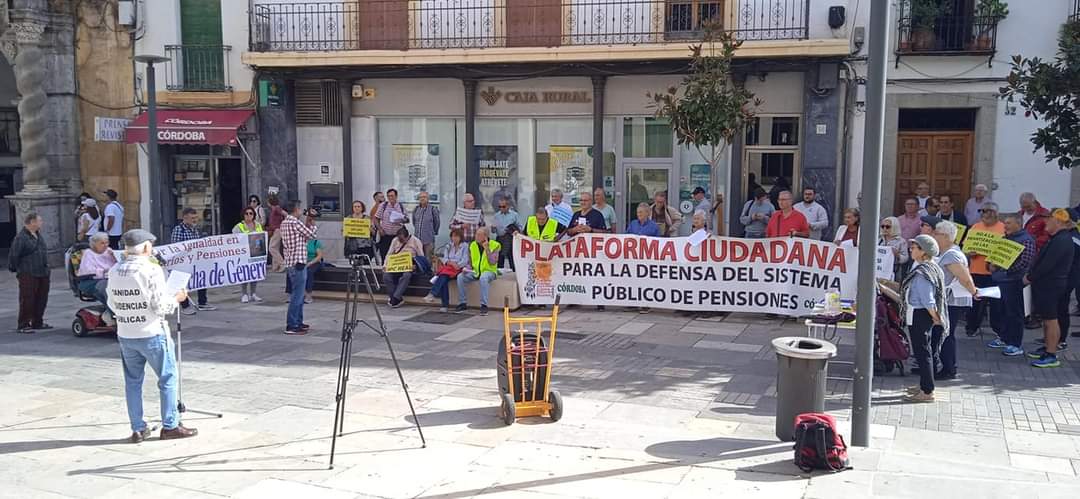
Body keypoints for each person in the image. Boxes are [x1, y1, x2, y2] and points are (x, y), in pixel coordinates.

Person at [107, 229, 197, 443]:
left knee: (133, 381)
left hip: (126, 333)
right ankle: (170, 425)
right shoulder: (150, 270)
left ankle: (138, 428)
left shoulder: (114, 269)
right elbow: (160, 306)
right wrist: (177, 297)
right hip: (151, 332)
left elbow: (112, 303)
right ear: (146, 247)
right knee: (167, 378)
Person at [1024, 208, 1075, 368]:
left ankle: (1051, 354)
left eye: (1050, 219)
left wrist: (1030, 277)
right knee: (1047, 319)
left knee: (1051, 320)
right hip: (1047, 285)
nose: (1046, 222)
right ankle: (1047, 348)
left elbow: (1047, 264)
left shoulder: (1062, 240)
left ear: (1059, 222)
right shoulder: (1057, 238)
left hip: (1051, 286)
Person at [901, 234, 948, 403]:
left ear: (923, 252)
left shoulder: (922, 272)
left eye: (914, 247)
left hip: (920, 314)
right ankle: (924, 385)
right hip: (921, 313)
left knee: (923, 353)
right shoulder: (929, 267)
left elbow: (927, 299)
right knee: (924, 351)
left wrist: (936, 317)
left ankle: (927, 391)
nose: (911, 250)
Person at [931, 220, 979, 380]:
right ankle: (941, 365)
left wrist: (974, 291)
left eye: (936, 233)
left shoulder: (952, 254)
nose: (933, 236)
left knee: (945, 333)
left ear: (945, 236)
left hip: (951, 301)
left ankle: (949, 368)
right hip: (945, 300)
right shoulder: (946, 253)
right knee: (941, 333)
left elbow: (965, 278)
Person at [988, 213, 1036, 357]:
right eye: (1005, 223)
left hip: (1014, 282)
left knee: (1014, 313)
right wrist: (991, 264)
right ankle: (1004, 337)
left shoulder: (1026, 240)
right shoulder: (1005, 238)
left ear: (1018, 224)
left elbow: (1025, 263)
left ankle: (1015, 344)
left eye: (1008, 223)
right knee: (1001, 311)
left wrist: (1004, 270)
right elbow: (995, 255)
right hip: (1001, 281)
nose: (1005, 226)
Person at [964, 202, 1005, 337]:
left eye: (988, 211)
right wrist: (970, 253)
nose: (985, 214)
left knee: (995, 304)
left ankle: (998, 329)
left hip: (994, 272)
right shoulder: (975, 227)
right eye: (983, 211)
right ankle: (972, 327)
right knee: (975, 302)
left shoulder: (1003, 228)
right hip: (976, 270)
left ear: (995, 213)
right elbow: (967, 246)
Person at [280, 200, 318, 335]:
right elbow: (311, 235)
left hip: (291, 261)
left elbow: (302, 238)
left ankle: (298, 321)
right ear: (295, 209)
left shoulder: (285, 222)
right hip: (298, 262)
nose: (301, 210)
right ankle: (292, 324)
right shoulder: (294, 222)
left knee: (299, 294)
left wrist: (307, 221)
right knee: (297, 295)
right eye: (300, 208)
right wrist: (312, 224)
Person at [9, 212, 50, 333]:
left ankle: (37, 321)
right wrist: (16, 269)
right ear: (32, 222)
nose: (41, 223)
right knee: (27, 298)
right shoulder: (21, 237)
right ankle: (23, 324)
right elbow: (14, 255)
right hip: (28, 272)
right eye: (39, 221)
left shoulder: (38, 234)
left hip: (42, 271)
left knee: (42, 297)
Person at [171, 208, 215, 313]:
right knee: (182, 283)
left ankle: (202, 302)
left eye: (196, 218)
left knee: (202, 278)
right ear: (185, 218)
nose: (195, 220)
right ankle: (185, 306)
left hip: (196, 260)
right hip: (184, 261)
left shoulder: (195, 229)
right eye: (192, 218)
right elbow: (175, 247)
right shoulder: (179, 229)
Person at [77, 232, 118, 325]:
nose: (105, 245)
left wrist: (115, 256)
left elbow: (117, 265)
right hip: (90, 281)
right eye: (102, 243)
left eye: (107, 242)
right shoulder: (88, 253)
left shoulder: (109, 251)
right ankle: (113, 313)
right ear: (94, 244)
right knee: (106, 287)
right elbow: (88, 270)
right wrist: (104, 271)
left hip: (109, 279)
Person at [457, 227, 500, 316]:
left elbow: (493, 262)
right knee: (460, 277)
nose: (476, 236)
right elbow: (470, 262)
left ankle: (484, 305)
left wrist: (487, 249)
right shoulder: (472, 245)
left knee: (483, 277)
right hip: (475, 272)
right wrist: (467, 268)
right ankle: (462, 303)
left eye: (479, 235)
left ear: (485, 236)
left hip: (490, 271)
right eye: (476, 234)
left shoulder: (495, 245)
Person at [425, 228, 468, 312]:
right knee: (443, 278)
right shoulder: (449, 246)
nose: (454, 238)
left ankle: (436, 297)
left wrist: (457, 265)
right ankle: (442, 303)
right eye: (452, 236)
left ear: (460, 237)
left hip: (459, 268)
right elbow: (445, 258)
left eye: (456, 236)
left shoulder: (465, 246)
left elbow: (465, 260)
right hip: (449, 268)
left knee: (442, 276)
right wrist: (451, 263)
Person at [383, 227, 423, 308]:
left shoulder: (416, 241)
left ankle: (395, 298)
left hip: (409, 264)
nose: (400, 242)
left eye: (402, 240)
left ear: (407, 237)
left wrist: (416, 266)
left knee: (406, 276)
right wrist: (385, 265)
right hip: (396, 263)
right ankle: (396, 298)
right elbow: (389, 254)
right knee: (386, 276)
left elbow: (421, 257)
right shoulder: (395, 240)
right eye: (399, 240)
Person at [232, 207, 264, 303]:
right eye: (247, 213)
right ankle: (244, 294)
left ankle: (253, 293)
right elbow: (234, 239)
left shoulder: (257, 225)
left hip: (256, 252)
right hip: (244, 253)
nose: (249, 215)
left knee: (255, 273)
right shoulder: (239, 226)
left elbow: (262, 236)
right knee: (245, 274)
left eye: (251, 213)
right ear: (243, 215)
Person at [374, 188, 409, 260]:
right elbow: (376, 218)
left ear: (396, 196)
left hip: (398, 236)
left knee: (398, 256)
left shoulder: (401, 206)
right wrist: (380, 229)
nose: (390, 198)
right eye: (388, 196)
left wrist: (403, 219)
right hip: (385, 236)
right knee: (385, 255)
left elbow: (407, 220)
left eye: (392, 196)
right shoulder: (383, 206)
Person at [412, 191, 440, 262]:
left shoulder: (433, 209)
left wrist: (433, 232)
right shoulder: (416, 209)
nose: (422, 199)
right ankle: (420, 273)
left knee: (428, 259)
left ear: (428, 198)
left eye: (424, 197)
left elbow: (437, 223)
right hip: (418, 239)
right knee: (419, 259)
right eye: (420, 197)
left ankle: (428, 273)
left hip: (428, 239)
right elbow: (414, 222)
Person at [879, 217, 910, 281]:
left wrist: (897, 254)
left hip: (894, 270)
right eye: (882, 226)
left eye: (888, 227)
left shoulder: (901, 241)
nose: (884, 229)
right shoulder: (879, 240)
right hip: (880, 269)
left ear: (894, 227)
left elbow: (905, 258)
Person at [492, 198, 519, 270]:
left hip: (510, 238)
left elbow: (520, 227)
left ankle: (514, 272)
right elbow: (493, 231)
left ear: (508, 206)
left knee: (511, 257)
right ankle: (500, 273)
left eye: (503, 207)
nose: (501, 208)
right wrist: (493, 228)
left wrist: (515, 231)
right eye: (499, 207)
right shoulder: (496, 215)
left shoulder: (514, 215)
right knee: (500, 258)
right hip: (500, 238)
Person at [267, 195, 287, 273]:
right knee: (275, 248)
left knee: (271, 248)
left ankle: (282, 264)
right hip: (277, 230)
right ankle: (275, 266)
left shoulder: (276, 208)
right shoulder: (274, 209)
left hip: (277, 230)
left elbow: (285, 214)